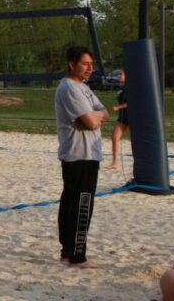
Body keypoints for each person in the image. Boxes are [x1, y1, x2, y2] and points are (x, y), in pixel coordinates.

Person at [55, 45, 109, 269]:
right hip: (79, 154)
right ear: (72, 64)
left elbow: (103, 112)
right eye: (85, 64)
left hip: (86, 153)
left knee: (72, 202)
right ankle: (77, 255)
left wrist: (94, 116)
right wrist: (94, 117)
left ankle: (68, 252)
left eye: (91, 64)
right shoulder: (69, 88)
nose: (90, 68)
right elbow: (94, 121)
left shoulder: (83, 87)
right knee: (79, 204)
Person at [105, 69, 129, 170]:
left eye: (121, 74)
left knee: (137, 142)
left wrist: (118, 107)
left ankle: (142, 161)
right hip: (122, 118)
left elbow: (132, 102)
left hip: (133, 118)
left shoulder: (132, 87)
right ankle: (115, 163)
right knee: (114, 138)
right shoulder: (121, 88)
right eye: (118, 74)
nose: (119, 76)